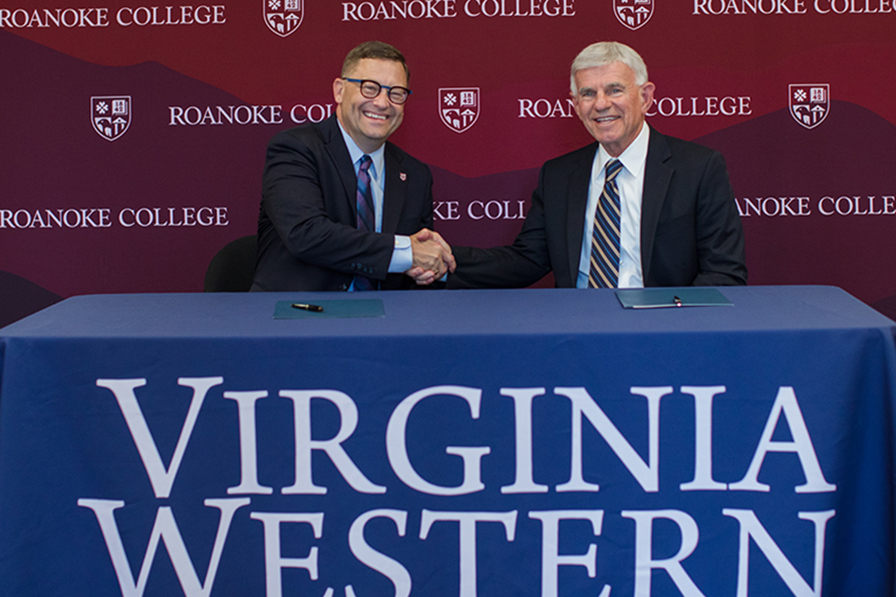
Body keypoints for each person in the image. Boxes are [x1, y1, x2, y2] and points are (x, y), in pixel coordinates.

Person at [443, 41, 746, 289]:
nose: (601, 104)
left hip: (663, 331)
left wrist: (672, 329)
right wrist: (443, 261)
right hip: (578, 332)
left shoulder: (699, 168)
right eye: (588, 93)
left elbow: (723, 272)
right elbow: (527, 260)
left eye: (614, 89)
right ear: (575, 104)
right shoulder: (558, 175)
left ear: (645, 97)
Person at [252, 41, 454, 292]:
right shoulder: (295, 148)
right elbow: (306, 235)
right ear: (339, 90)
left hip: (387, 322)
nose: (382, 103)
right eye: (370, 88)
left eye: (396, 93)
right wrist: (406, 252)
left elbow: (419, 263)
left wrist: (428, 267)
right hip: (300, 318)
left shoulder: (416, 175)